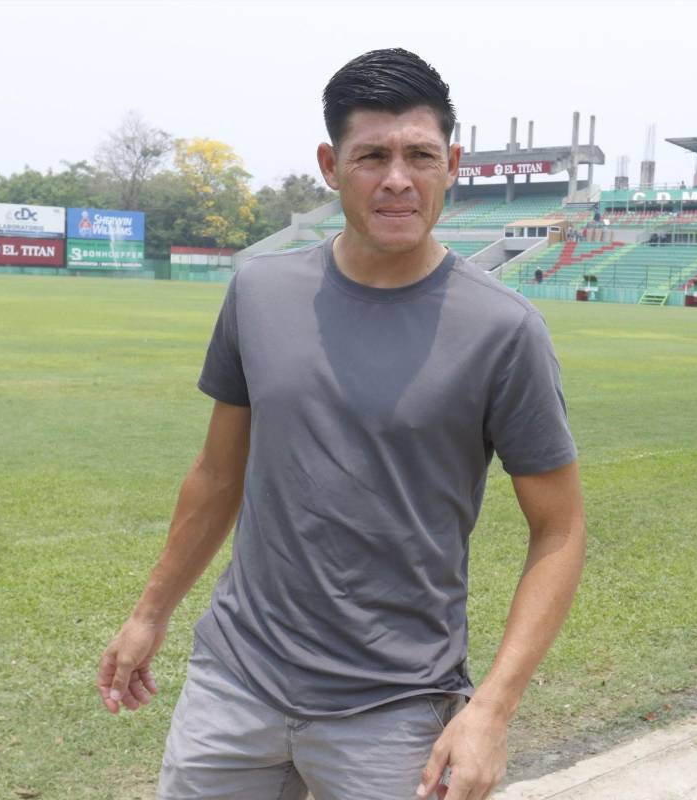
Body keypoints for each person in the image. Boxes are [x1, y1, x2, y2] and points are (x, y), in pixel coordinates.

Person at [96, 48, 585, 800]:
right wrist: (149, 613)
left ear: (452, 163)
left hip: (392, 712)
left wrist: (491, 709)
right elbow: (218, 474)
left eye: (420, 155)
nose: (397, 178)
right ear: (330, 164)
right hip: (235, 682)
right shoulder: (259, 293)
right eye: (372, 156)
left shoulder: (504, 331)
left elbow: (559, 530)